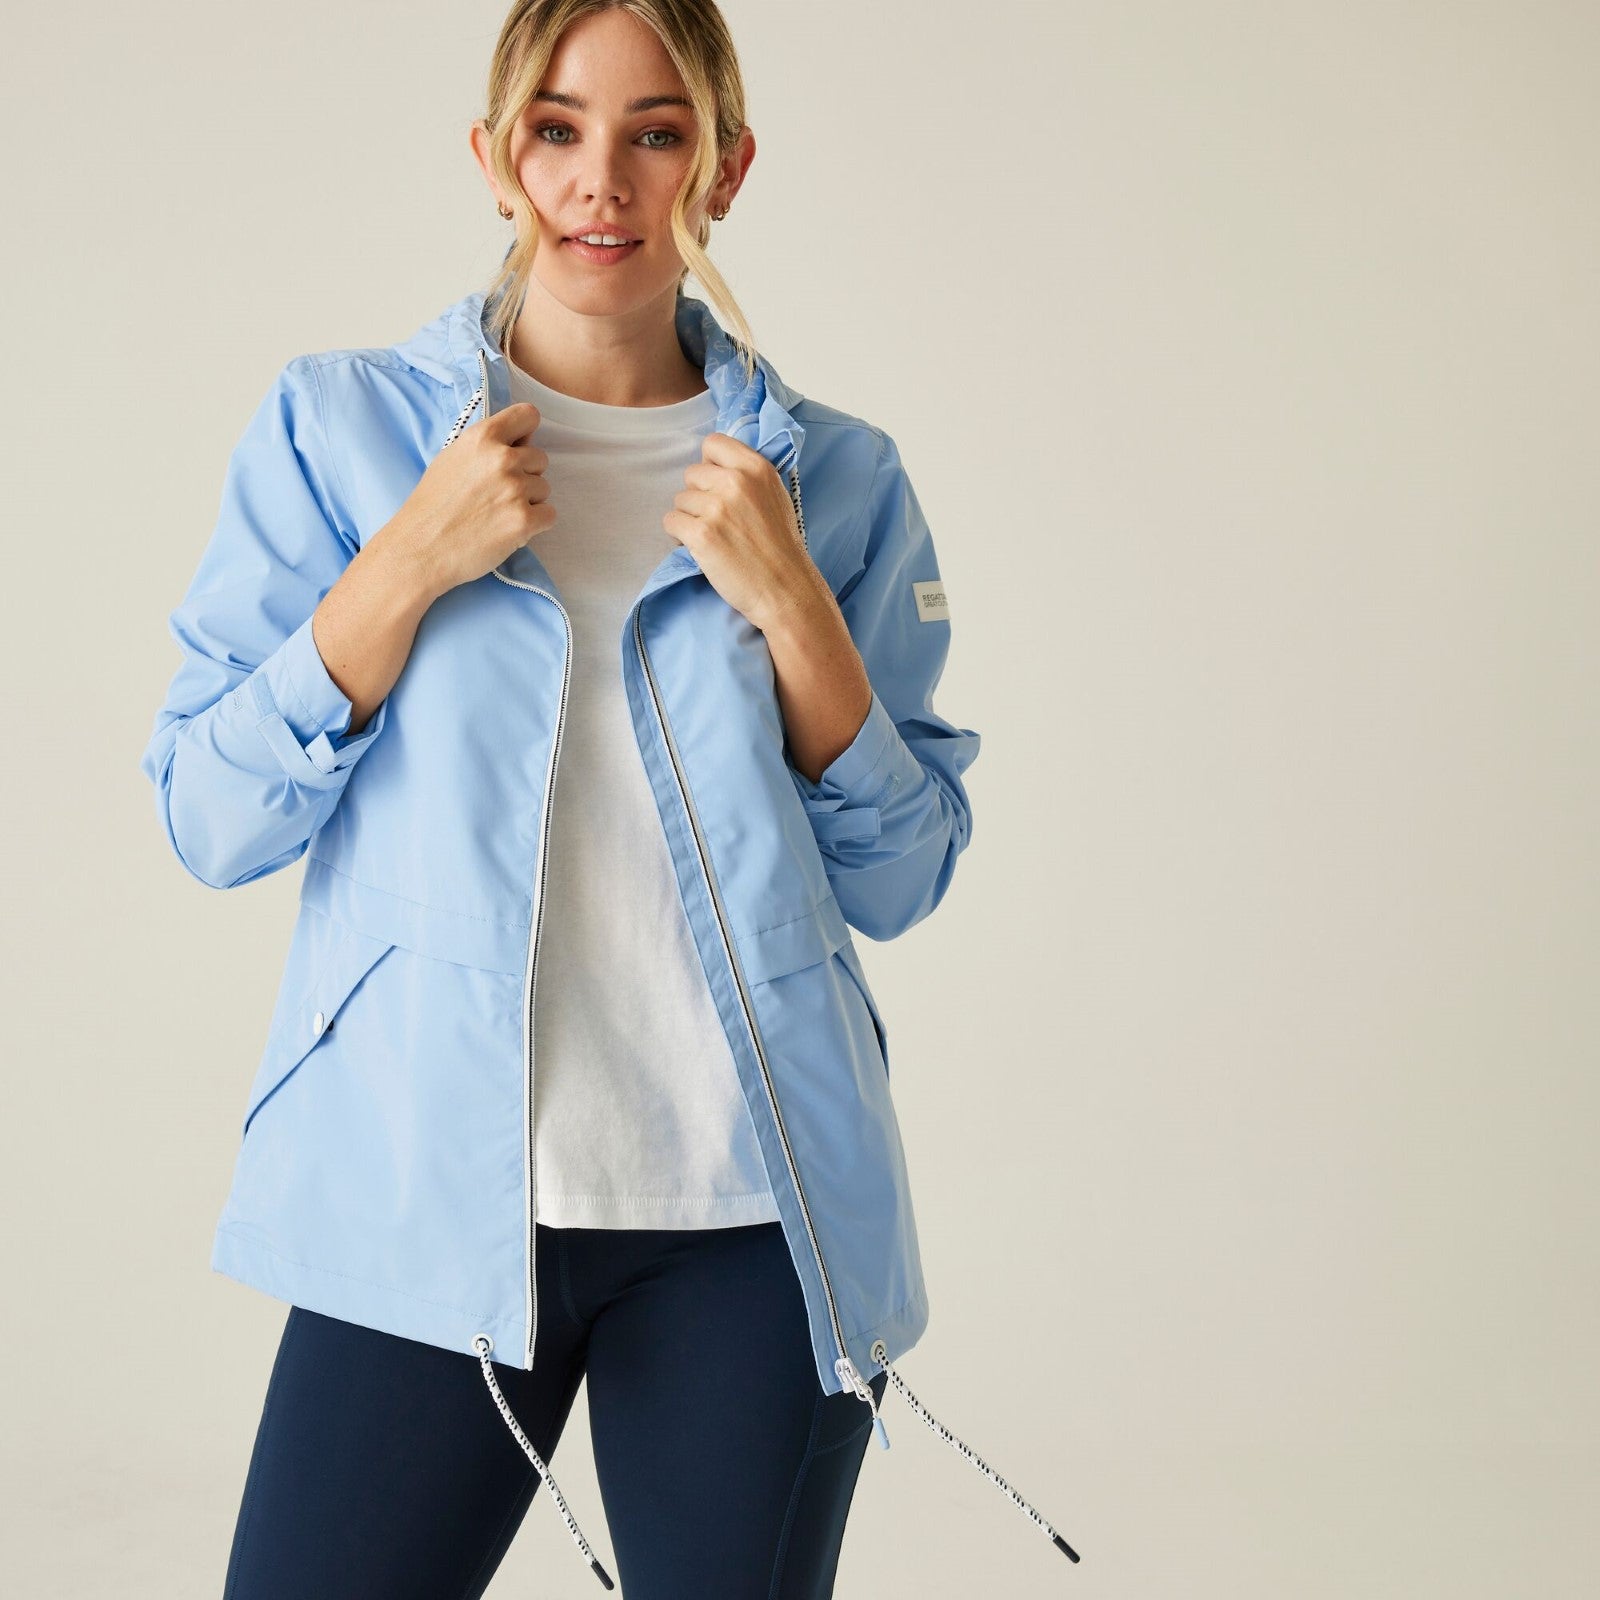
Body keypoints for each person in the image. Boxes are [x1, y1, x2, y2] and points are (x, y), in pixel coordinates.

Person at [139, 1, 1079, 1593]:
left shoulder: (836, 479)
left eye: (657, 133)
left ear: (726, 168)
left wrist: (797, 610)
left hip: (753, 1229)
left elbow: (904, 877)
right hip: (421, 1208)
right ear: (493, 158)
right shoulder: (340, 430)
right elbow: (211, 819)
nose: (603, 180)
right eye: (558, 130)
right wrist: (406, 563)